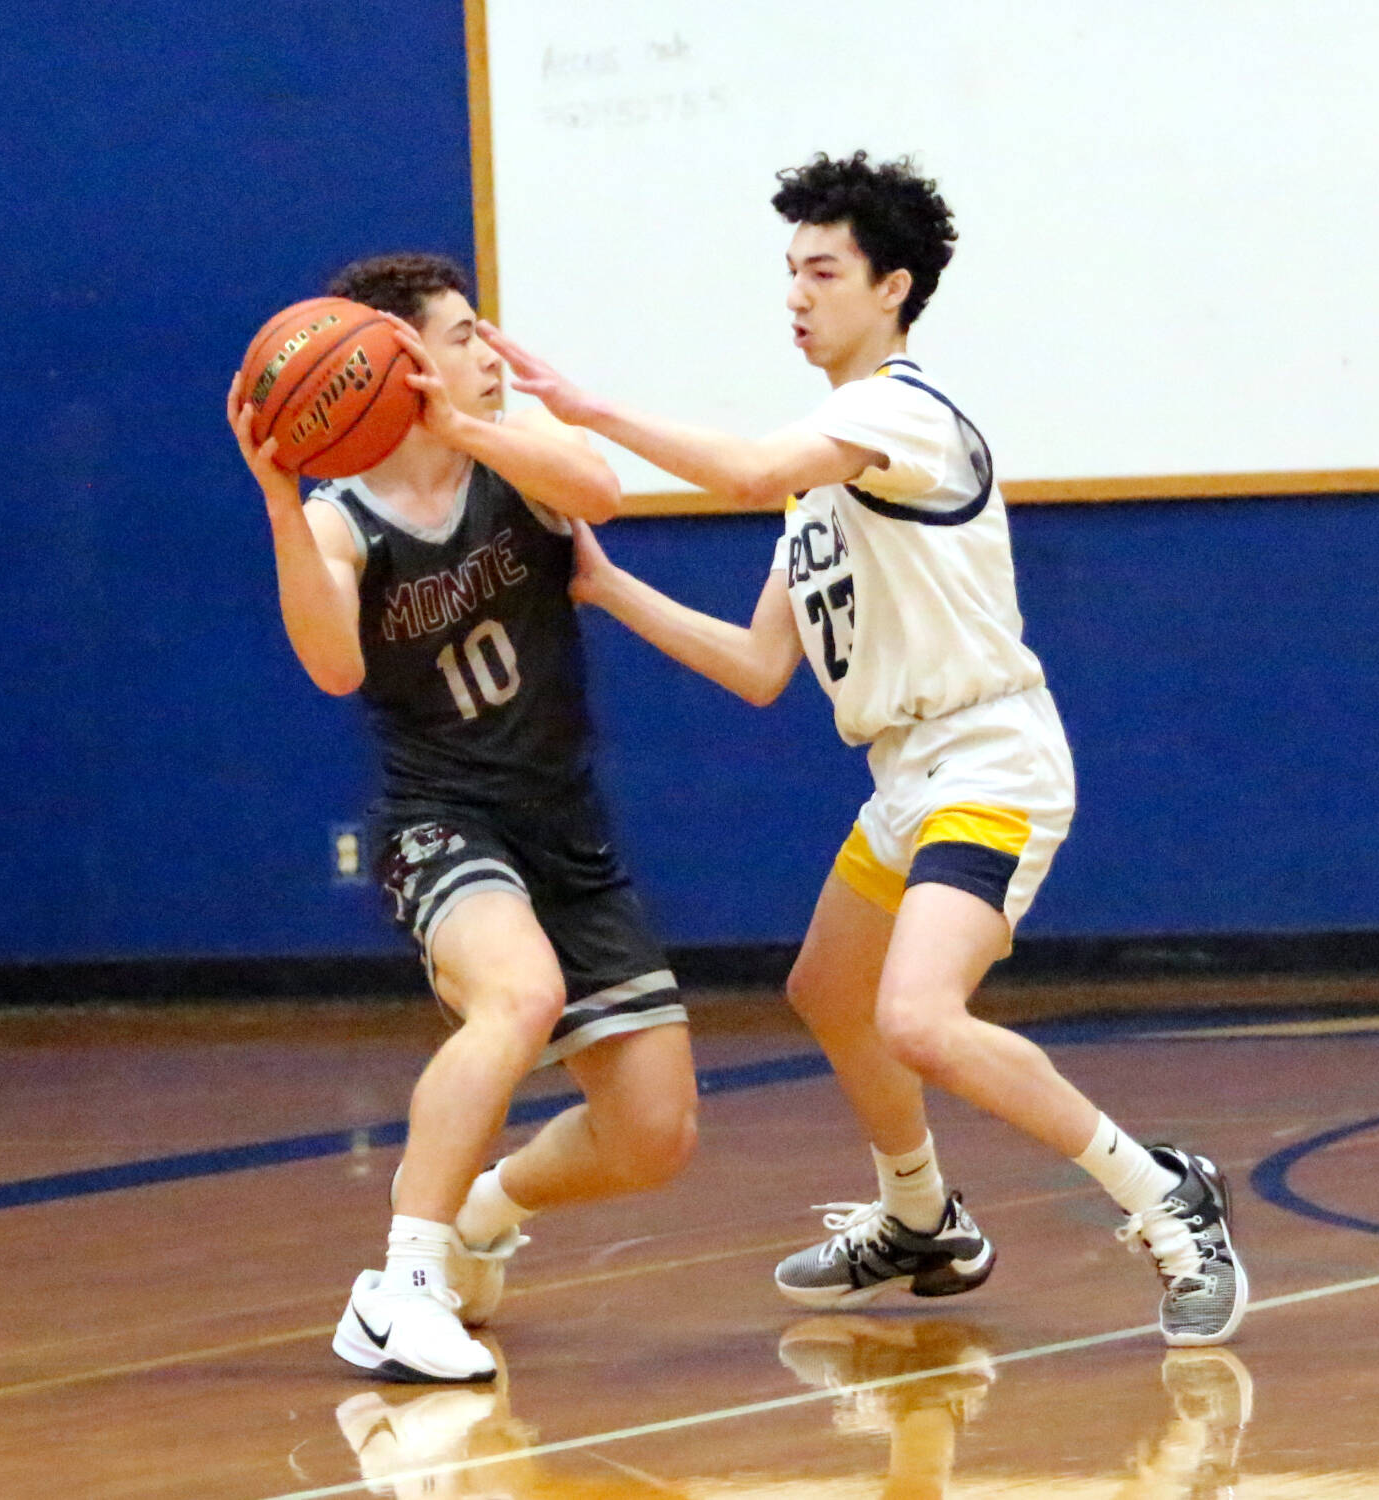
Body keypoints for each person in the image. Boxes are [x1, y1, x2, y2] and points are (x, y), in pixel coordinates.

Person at [476, 153, 1248, 1347]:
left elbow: (739, 468)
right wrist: (608, 586)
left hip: (989, 756)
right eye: (787, 271)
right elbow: (755, 666)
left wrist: (583, 412)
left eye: (822, 271)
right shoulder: (822, 485)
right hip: (908, 774)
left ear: (890, 288)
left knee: (921, 1019)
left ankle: (1166, 1201)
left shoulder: (900, 412)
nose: (796, 294)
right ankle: (921, 1217)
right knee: (826, 991)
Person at [227, 253, 698, 1383]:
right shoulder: (346, 521)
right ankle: (401, 1285)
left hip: (564, 826)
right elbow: (334, 666)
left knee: (654, 1136)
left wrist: (472, 428)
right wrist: (280, 503)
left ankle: (483, 1207)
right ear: (394, 361)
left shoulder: (517, 466)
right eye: (463, 335)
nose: (490, 354)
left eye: (486, 332)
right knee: (518, 994)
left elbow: (601, 491)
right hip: (444, 818)